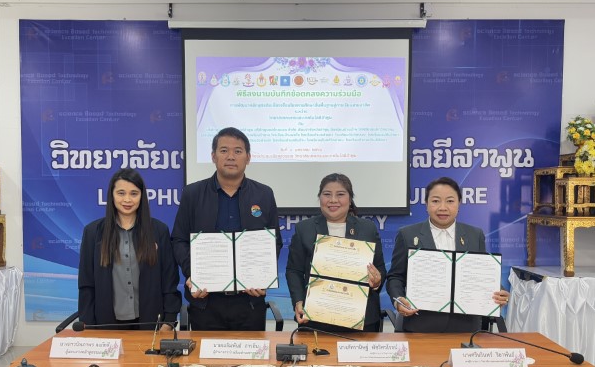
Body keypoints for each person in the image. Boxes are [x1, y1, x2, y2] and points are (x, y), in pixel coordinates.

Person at [171, 127, 282, 330]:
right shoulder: (192, 194)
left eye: (238, 151)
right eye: (224, 150)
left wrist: (261, 277)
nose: (231, 156)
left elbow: (274, 242)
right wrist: (193, 274)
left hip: (249, 302)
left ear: (248, 158)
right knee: (204, 353)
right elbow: (179, 240)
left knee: (251, 352)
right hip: (205, 301)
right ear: (213, 156)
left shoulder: (264, 194)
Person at [386, 176, 509, 333]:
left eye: (450, 201)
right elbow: (395, 277)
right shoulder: (407, 235)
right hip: (420, 326)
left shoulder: (475, 235)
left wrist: (498, 292)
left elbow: (481, 274)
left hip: (465, 327)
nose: (442, 207)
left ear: (459, 204)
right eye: (435, 201)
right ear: (426, 204)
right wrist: (398, 300)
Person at [78, 168, 182, 330]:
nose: (127, 199)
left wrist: (169, 320)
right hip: (106, 323)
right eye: (121, 193)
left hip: (150, 323)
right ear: (112, 195)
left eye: (134, 193)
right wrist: (87, 322)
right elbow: (86, 282)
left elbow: (169, 280)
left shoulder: (159, 231)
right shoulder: (93, 232)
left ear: (142, 196)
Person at [286, 173, 386, 332]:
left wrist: (377, 281)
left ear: (350, 199)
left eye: (340, 194)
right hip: (316, 318)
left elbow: (380, 268)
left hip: (361, 320)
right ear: (319, 198)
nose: (333, 200)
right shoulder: (304, 229)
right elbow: (294, 270)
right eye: (327, 194)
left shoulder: (367, 229)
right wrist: (298, 301)